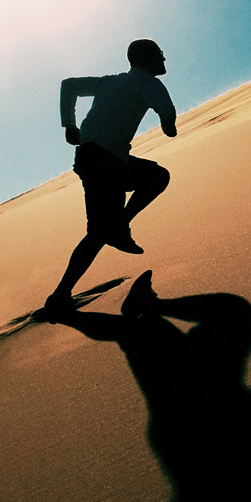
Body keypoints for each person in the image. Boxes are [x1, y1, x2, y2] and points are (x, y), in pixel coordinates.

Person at [44, 39, 178, 314]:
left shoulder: (109, 82)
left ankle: (61, 294)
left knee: (102, 228)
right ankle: (60, 295)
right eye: (160, 55)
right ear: (147, 58)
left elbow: (68, 85)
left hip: (90, 159)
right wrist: (168, 124)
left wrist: (69, 124)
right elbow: (165, 108)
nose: (164, 60)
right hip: (108, 162)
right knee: (155, 180)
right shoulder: (148, 82)